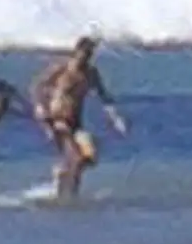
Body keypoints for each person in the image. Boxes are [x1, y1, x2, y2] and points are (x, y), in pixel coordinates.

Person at [31, 35, 128, 199]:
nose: (85, 58)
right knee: (75, 158)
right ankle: (70, 195)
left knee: (90, 156)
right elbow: (37, 86)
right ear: (76, 52)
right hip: (57, 119)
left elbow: (103, 96)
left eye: (89, 55)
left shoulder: (91, 74)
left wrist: (115, 118)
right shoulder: (61, 68)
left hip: (76, 121)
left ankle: (62, 171)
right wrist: (40, 107)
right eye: (83, 54)